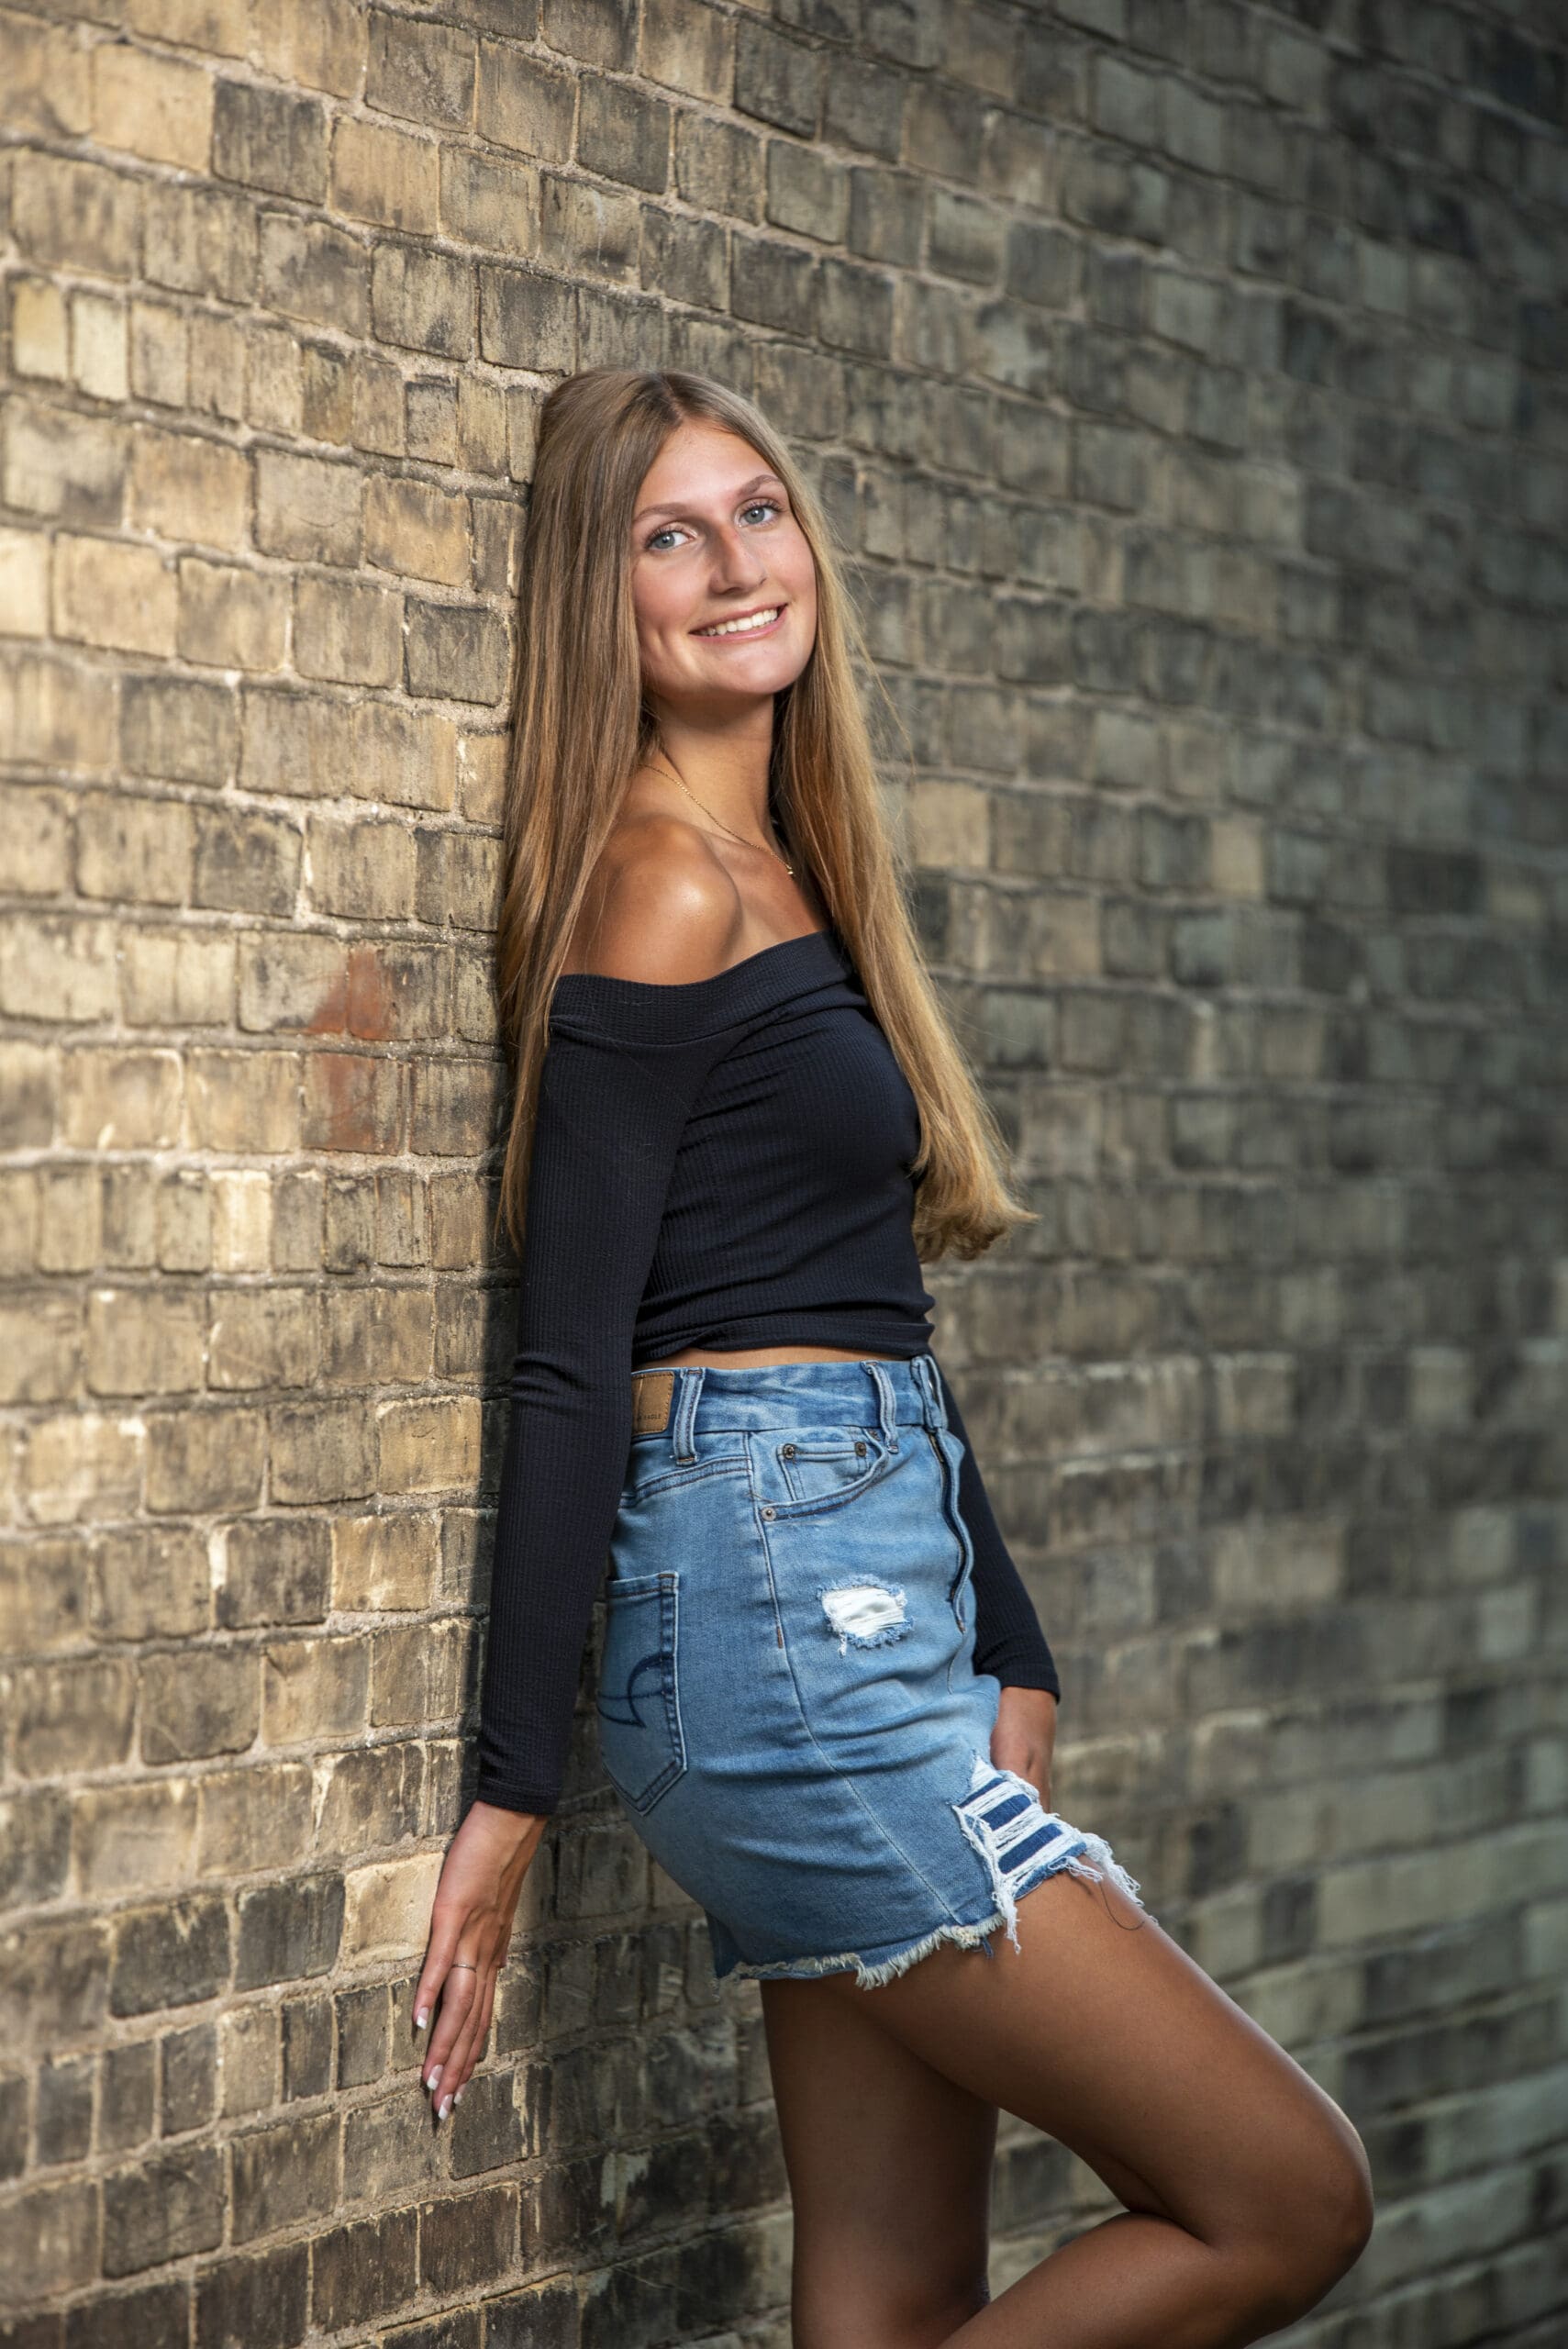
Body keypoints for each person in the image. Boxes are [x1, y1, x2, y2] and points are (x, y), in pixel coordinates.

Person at [411, 368, 1373, 2343]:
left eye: (757, 511)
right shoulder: (661, 887)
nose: (733, 564)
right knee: (1288, 2194)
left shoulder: (794, 880)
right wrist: (512, 1794)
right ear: (602, 602)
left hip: (864, 1600)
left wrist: (1009, 1636)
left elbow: (870, 1305)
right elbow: (572, 1360)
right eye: (667, 536)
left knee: (895, 2299)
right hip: (780, 1631)